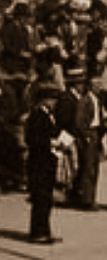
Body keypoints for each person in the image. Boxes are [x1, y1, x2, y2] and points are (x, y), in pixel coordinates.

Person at [22, 66, 63, 243]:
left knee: (46, 199)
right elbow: (33, 139)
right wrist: (51, 142)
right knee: (40, 199)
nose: (55, 102)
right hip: (39, 163)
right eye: (52, 99)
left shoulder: (47, 115)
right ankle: (38, 232)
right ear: (44, 100)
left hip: (47, 162)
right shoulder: (37, 116)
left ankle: (45, 230)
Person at [55, 70, 103, 210]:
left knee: (85, 168)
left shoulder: (84, 98)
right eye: (79, 83)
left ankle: (81, 196)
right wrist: (81, 135)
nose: (81, 86)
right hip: (73, 137)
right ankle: (81, 198)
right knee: (80, 168)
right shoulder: (68, 98)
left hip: (84, 136)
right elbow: (66, 120)